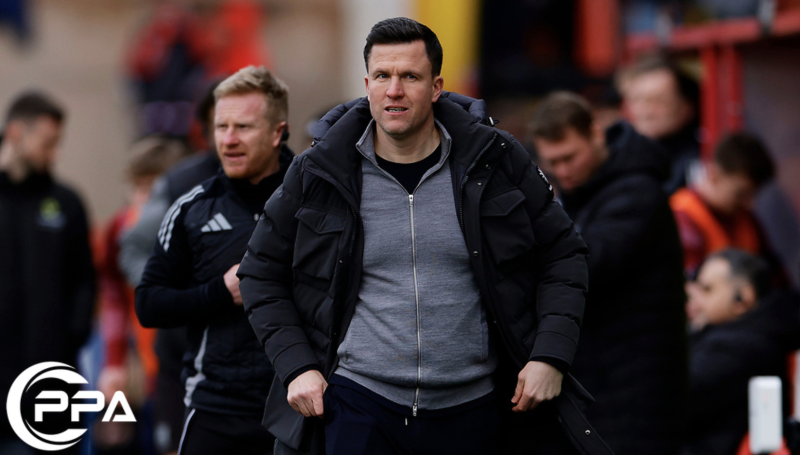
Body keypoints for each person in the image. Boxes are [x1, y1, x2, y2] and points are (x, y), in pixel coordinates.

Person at [239, 17, 611, 455]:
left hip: (473, 410)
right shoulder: (319, 170)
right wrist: (297, 366)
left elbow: (564, 254)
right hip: (358, 406)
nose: (393, 90)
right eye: (382, 76)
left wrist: (549, 356)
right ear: (367, 84)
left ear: (435, 87)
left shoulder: (495, 160)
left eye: (409, 77)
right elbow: (260, 272)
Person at [135, 66, 293, 455]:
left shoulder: (315, 202)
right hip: (215, 410)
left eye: (243, 127)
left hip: (297, 408)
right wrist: (220, 292)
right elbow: (149, 304)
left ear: (277, 132)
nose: (229, 140)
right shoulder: (192, 208)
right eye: (221, 127)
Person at [531, 91, 687, 455]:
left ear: (596, 134)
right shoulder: (584, 192)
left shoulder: (637, 191)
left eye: (570, 157)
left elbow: (589, 261)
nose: (564, 171)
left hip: (638, 387)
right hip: (603, 380)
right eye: (553, 163)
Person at [118, 80, 222, 455]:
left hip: (235, 372)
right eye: (220, 122)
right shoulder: (179, 187)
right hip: (165, 365)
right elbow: (122, 278)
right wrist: (170, 295)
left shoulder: (281, 180)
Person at [0, 92, 96, 454]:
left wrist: (71, 336)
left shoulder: (66, 203)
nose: (53, 154)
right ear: (14, 133)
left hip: (50, 389)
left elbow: (85, 280)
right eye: (47, 143)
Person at [94, 137, 188, 452]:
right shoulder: (121, 230)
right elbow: (114, 297)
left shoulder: (193, 231)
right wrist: (115, 360)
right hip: (143, 369)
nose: (144, 201)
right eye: (138, 188)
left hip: (185, 370)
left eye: (153, 190)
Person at [684, 249, 800, 455]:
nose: (695, 301)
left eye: (707, 290)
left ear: (742, 300)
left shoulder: (738, 348)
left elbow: (668, 397)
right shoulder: (759, 334)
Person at [670, 133, 775, 278]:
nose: (750, 204)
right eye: (741, 193)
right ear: (714, 175)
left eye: (754, 194)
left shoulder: (744, 218)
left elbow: (775, 277)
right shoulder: (682, 218)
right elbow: (690, 287)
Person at [617, 56, 700, 194]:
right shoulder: (618, 153)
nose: (645, 111)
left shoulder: (696, 163)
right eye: (637, 100)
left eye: (658, 100)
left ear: (687, 107)